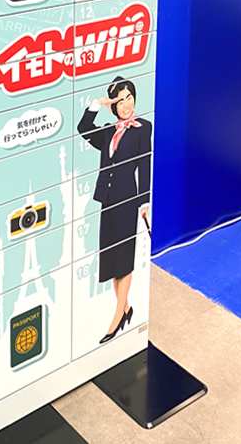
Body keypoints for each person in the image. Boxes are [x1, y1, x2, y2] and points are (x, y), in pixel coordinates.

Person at [77, 76, 152, 344]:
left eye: (129, 97)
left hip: (127, 200)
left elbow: (145, 164)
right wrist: (98, 104)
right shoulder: (108, 131)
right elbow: (83, 128)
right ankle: (126, 307)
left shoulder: (143, 128)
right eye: (120, 101)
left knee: (124, 260)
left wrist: (144, 201)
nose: (126, 104)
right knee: (111, 259)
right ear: (113, 106)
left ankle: (117, 317)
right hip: (107, 199)